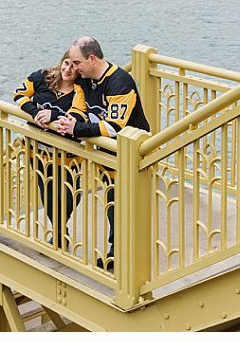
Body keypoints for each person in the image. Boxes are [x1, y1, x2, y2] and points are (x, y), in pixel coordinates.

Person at [55, 36, 151, 272]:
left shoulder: (120, 82)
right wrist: (69, 120)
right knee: (113, 205)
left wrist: (77, 129)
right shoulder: (86, 81)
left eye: (77, 62)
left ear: (92, 59)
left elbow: (114, 126)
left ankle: (123, 257)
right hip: (108, 155)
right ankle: (115, 253)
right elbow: (79, 107)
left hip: (132, 155)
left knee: (123, 205)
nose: (73, 68)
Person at [14, 52, 82, 248]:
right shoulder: (42, 77)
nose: (68, 69)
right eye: (66, 63)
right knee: (49, 193)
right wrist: (34, 112)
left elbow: (84, 113)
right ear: (61, 62)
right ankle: (59, 232)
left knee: (72, 194)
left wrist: (54, 114)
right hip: (39, 151)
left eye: (75, 66)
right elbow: (19, 95)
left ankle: (60, 226)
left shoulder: (82, 90)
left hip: (69, 153)